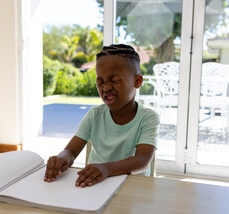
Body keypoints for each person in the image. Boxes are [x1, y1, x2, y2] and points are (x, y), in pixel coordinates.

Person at [44, 44, 160, 187]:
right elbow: (71, 151)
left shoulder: (148, 118)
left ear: (137, 81)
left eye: (115, 80)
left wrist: (106, 168)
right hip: (96, 185)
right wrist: (62, 157)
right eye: (100, 82)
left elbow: (142, 161)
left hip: (132, 187)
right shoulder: (95, 115)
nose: (106, 88)